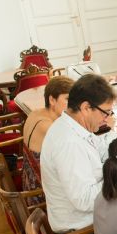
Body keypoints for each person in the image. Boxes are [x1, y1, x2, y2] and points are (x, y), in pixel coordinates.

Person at [40, 74, 117, 234]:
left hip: (88, 224)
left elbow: (98, 147)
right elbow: (84, 200)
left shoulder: (71, 125)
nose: (107, 118)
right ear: (86, 108)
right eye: (106, 112)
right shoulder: (69, 143)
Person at [22, 76, 74, 205]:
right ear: (52, 99)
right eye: (68, 99)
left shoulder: (36, 113)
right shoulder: (48, 126)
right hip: (42, 193)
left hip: (30, 181)